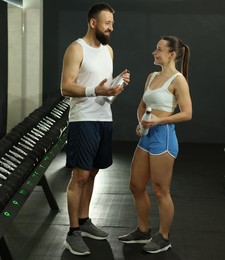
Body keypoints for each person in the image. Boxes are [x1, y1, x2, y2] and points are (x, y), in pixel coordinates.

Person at [60, 2, 130, 256]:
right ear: (93, 22)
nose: (111, 27)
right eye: (107, 23)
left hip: (104, 118)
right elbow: (66, 87)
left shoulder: (108, 51)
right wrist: (96, 89)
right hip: (83, 120)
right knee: (79, 176)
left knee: (92, 173)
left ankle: (85, 220)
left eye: (112, 23)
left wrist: (115, 87)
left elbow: (104, 92)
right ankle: (72, 232)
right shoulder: (76, 48)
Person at [118, 35, 192, 253]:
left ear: (172, 55)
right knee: (136, 185)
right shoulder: (151, 76)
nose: (154, 52)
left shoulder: (178, 80)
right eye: (155, 48)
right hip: (147, 136)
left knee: (160, 190)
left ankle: (164, 237)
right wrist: (141, 122)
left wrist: (160, 120)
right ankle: (143, 230)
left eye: (159, 49)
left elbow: (187, 113)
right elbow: (142, 105)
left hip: (164, 136)